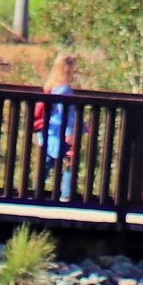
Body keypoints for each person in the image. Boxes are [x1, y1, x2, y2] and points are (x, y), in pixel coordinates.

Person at [38, 50, 84, 202]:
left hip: (49, 131)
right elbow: (67, 115)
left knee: (48, 162)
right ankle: (66, 194)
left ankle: (38, 191)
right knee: (70, 162)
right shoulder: (65, 89)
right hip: (61, 132)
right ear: (67, 68)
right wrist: (71, 133)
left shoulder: (50, 85)